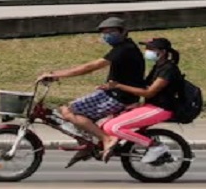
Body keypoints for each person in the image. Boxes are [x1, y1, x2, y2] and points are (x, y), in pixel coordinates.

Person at [36, 16, 146, 161]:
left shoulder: (124, 49)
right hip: (113, 92)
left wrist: (56, 74)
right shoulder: (123, 48)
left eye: (111, 32)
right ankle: (86, 143)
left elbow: (89, 67)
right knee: (67, 111)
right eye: (105, 33)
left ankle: (106, 139)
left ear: (124, 32)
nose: (107, 35)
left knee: (69, 111)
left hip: (119, 96)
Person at [98, 37, 184, 164]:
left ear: (163, 52)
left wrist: (118, 86)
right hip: (151, 106)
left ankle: (155, 146)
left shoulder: (168, 70)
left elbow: (149, 92)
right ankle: (113, 144)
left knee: (115, 127)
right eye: (147, 48)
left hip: (162, 109)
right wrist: (137, 104)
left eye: (151, 49)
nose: (147, 51)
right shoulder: (158, 67)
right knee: (107, 124)